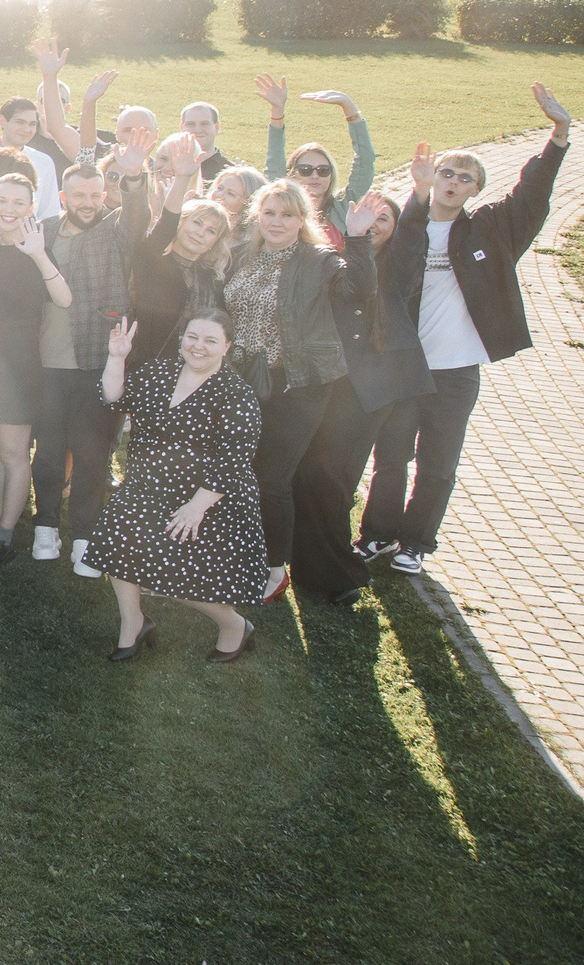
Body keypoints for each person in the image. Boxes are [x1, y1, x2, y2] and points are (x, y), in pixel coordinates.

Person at [367, 89, 569, 576]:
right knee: (391, 457)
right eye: (447, 172)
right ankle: (376, 534)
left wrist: (558, 138)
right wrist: (413, 198)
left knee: (437, 464)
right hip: (404, 367)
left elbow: (532, 195)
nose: (454, 181)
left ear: (475, 189)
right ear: (432, 179)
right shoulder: (405, 226)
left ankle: (415, 543)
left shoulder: (491, 231)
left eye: (465, 177)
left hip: (456, 372)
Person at [219, 176, 379, 602]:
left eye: (288, 214)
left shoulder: (318, 260)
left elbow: (359, 290)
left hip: (297, 384)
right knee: (238, 473)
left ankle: (274, 569)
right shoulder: (240, 256)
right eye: (270, 212)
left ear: (302, 219)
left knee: (272, 478)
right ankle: (237, 554)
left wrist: (359, 238)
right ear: (257, 215)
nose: (277, 221)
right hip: (241, 383)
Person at [85, 315, 270, 663]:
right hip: (151, 484)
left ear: (227, 347)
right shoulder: (159, 373)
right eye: (192, 336)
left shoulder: (236, 395)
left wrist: (195, 507)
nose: (198, 346)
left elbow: (232, 461)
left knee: (178, 575)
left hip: (210, 495)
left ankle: (234, 625)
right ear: (181, 338)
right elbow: (113, 398)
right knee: (116, 537)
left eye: (211, 341)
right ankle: (133, 623)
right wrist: (117, 357)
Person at [288, 189, 428, 605]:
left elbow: (412, 235)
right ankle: (308, 563)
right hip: (326, 381)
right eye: (366, 216)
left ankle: (337, 572)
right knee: (310, 472)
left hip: (370, 391)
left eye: (383, 218)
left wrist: (420, 195)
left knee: (333, 477)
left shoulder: (400, 265)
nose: (373, 223)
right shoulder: (334, 261)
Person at [34, 138, 150, 573]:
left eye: (95, 195)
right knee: (47, 451)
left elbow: (139, 217)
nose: (87, 203)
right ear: (64, 197)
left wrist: (135, 175)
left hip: (98, 362)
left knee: (92, 453)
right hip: (47, 362)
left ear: (106, 196)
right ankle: (45, 525)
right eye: (79, 196)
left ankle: (85, 534)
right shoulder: (44, 230)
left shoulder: (116, 230)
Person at [0, 172, 72, 565]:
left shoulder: (37, 248)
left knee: (14, 453)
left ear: (31, 208)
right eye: (2, 200)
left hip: (19, 367)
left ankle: (6, 535)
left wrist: (38, 254)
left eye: (18, 202)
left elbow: (63, 299)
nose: (9, 209)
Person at [129, 136, 234, 369]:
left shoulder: (211, 278)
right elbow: (167, 222)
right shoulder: (153, 259)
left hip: (196, 372)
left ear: (214, 243)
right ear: (181, 222)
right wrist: (183, 178)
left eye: (210, 231)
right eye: (196, 223)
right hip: (150, 369)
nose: (200, 233)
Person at [257, 76, 378, 223]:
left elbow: (365, 160)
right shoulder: (279, 207)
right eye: (305, 170)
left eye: (323, 171)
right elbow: (274, 162)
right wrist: (277, 112)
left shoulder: (344, 208)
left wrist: (349, 107)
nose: (315, 176)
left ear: (331, 176)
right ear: (291, 175)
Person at [0, 96, 63, 218]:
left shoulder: (44, 162)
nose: (26, 129)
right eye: (20, 122)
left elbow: (49, 212)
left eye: (32, 124)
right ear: (3, 121)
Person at [180, 100, 233, 183]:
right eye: (191, 124)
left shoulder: (230, 173)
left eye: (204, 124)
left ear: (217, 127)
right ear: (182, 128)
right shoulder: (169, 167)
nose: (197, 130)